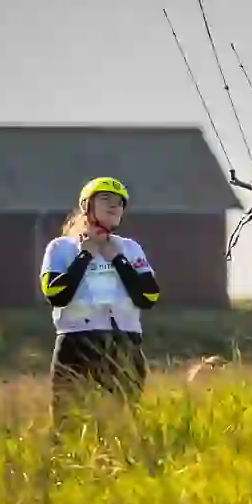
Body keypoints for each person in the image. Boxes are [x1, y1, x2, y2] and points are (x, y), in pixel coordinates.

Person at [39, 177, 161, 427]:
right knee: (67, 425)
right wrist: (85, 254)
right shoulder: (61, 248)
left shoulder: (130, 248)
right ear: (86, 205)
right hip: (76, 343)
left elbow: (149, 297)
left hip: (124, 343)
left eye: (119, 202)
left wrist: (117, 259)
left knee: (121, 425)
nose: (114, 205)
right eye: (105, 199)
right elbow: (56, 294)